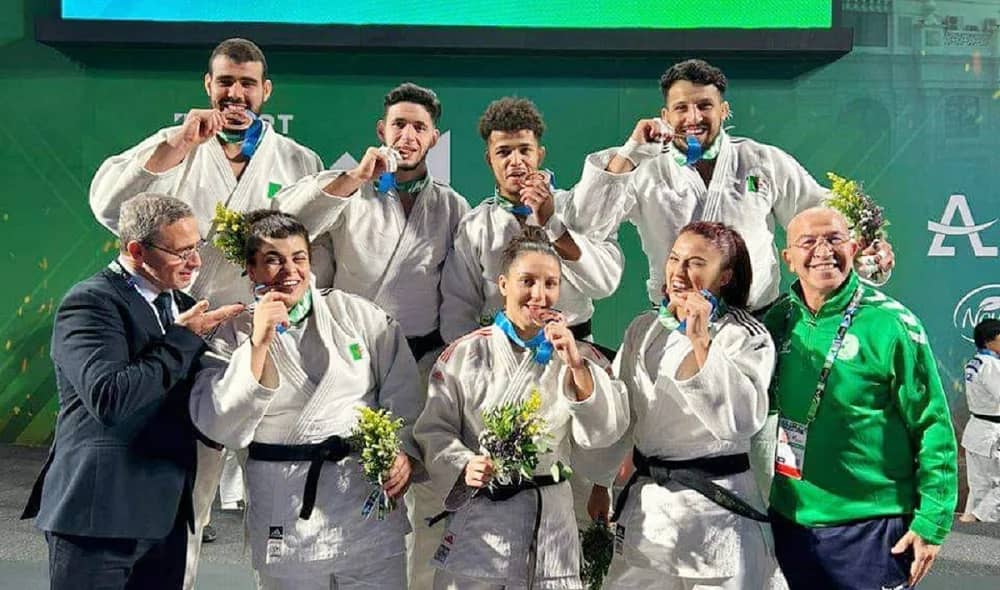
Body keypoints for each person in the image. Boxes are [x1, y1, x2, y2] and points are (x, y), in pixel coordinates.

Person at [570, 57, 896, 505]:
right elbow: (586, 223)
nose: (693, 117)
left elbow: (821, 219)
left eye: (705, 105)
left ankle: (771, 553)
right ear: (664, 117)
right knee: (665, 439)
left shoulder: (762, 161)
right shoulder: (646, 169)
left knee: (763, 454)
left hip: (756, 326)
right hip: (672, 329)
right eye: (681, 108)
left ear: (725, 110)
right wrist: (630, 151)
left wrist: (867, 242)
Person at [88, 38, 342, 587]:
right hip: (183, 339)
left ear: (265, 91)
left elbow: (308, 252)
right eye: (226, 81)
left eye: (248, 83)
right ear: (208, 86)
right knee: (187, 500)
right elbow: (110, 208)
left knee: (276, 495)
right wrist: (177, 143)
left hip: (265, 340)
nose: (236, 93)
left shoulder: (298, 160)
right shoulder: (175, 146)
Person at [273, 82, 469, 587]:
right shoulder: (346, 188)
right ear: (381, 130)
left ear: (434, 139)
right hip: (351, 363)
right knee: (347, 484)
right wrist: (353, 178)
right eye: (399, 124)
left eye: (419, 127)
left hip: (423, 364)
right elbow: (283, 223)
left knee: (427, 496)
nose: (407, 134)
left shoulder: (451, 207)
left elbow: (461, 291)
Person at [189, 210, 423, 589]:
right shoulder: (232, 333)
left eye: (298, 258)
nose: (289, 270)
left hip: (363, 497)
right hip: (287, 502)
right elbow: (220, 424)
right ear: (250, 269)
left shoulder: (358, 315)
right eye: (272, 260)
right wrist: (258, 343)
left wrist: (402, 451)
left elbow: (403, 392)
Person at [21, 193, 242, 589]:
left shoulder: (185, 305)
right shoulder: (90, 303)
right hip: (100, 516)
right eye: (181, 252)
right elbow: (110, 398)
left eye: (197, 247)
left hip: (168, 515)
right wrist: (183, 339)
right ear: (137, 250)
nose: (195, 262)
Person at [414, 227, 629, 589]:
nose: (539, 295)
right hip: (484, 517)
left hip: (551, 515)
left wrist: (576, 366)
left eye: (550, 283)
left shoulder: (580, 358)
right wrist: (463, 464)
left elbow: (603, 436)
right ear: (503, 284)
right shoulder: (465, 354)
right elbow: (434, 430)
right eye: (527, 281)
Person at [764, 207, 957, 589]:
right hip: (789, 520)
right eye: (808, 242)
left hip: (872, 526)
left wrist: (932, 521)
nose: (822, 250)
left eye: (834, 239)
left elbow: (932, 424)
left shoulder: (892, 323)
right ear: (788, 259)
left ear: (853, 248)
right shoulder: (778, 320)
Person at [588, 221, 774, 589]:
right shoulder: (643, 328)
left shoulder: (745, 334)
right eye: (675, 258)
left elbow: (740, 421)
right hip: (649, 511)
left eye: (696, 263)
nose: (679, 271)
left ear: (725, 277)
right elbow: (625, 414)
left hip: (717, 512)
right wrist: (601, 481)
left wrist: (701, 342)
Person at [439, 96, 622, 355]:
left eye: (524, 150)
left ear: (540, 153)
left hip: (571, 347)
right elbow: (458, 310)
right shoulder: (476, 226)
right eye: (503, 152)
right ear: (489, 159)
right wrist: (479, 363)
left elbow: (602, 285)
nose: (515, 161)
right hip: (500, 354)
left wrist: (551, 223)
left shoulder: (574, 208)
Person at [960, 318, 1000, 523]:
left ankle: (969, 523)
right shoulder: (992, 365)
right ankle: (975, 518)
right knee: (988, 489)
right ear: (989, 340)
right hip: (990, 432)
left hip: (977, 430)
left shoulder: (976, 362)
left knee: (979, 488)